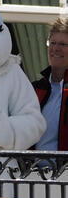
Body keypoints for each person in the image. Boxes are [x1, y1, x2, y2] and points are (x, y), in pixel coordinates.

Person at [33, 18, 68, 151]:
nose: (55, 48)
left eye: (63, 44)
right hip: (30, 170)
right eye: (52, 43)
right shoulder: (34, 89)